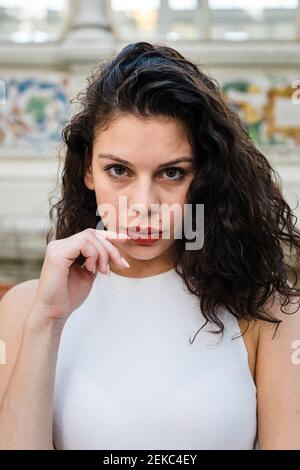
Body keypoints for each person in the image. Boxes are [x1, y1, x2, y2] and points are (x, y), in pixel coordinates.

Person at [0, 41, 300, 450]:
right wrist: (47, 322)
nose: (143, 206)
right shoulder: (23, 311)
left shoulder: (270, 314)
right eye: (119, 170)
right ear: (88, 169)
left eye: (172, 173)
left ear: (206, 177)